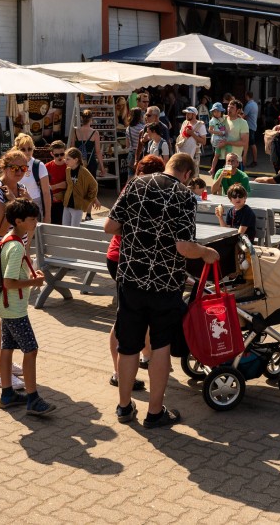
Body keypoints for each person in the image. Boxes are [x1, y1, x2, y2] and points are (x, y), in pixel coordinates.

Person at [104, 152, 219, 428]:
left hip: (131, 277)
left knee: (129, 344)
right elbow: (184, 247)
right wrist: (206, 252)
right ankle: (155, 412)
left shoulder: (135, 184)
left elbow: (110, 226)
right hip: (165, 283)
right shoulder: (184, 196)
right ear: (188, 174)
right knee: (159, 346)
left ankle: (123, 408)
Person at [103, 155, 162, 391]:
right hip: (122, 259)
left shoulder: (137, 187)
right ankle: (119, 373)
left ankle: (147, 357)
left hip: (127, 259)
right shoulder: (135, 189)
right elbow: (110, 226)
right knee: (123, 320)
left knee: (140, 314)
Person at [0, 197, 54, 414]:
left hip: (6, 305)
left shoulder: (9, 239)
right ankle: (33, 399)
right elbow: (9, 282)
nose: (35, 222)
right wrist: (34, 281)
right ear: (18, 221)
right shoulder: (17, 247)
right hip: (15, 308)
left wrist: (29, 275)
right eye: (31, 219)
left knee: (7, 347)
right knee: (31, 350)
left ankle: (7, 394)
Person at [0, 151, 32, 246]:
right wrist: (14, 203)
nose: (19, 172)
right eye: (14, 168)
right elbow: (1, 231)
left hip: (19, 247)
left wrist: (30, 202)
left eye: (23, 168)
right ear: (4, 168)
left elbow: (31, 224)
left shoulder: (22, 189)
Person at [60, 148, 97, 227]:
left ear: (76, 160)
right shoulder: (68, 170)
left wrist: (87, 200)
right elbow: (69, 186)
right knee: (65, 227)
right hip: (67, 204)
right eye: (65, 159)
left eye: (68, 159)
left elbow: (94, 185)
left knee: (75, 229)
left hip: (77, 206)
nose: (65, 161)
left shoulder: (84, 172)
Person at [70, 109, 102, 180]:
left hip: (78, 162)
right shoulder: (95, 133)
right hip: (91, 162)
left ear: (82, 118)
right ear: (91, 119)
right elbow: (98, 152)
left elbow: (72, 149)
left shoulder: (75, 132)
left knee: (79, 183)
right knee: (91, 185)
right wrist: (102, 168)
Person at [44, 141, 68, 225]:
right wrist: (57, 187)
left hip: (66, 202)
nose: (59, 157)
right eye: (56, 155)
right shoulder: (47, 167)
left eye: (62, 154)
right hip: (52, 202)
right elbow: (43, 185)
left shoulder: (69, 166)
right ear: (52, 154)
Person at [224, 100, 250, 168]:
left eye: (232, 107)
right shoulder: (223, 119)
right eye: (228, 107)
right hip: (220, 157)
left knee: (230, 177)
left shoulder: (243, 123)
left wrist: (244, 155)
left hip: (232, 161)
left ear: (238, 110)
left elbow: (244, 142)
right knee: (220, 178)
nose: (229, 109)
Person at [206, 103, 229, 175]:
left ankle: (226, 166)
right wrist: (218, 132)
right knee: (217, 155)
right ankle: (212, 169)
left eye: (218, 111)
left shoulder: (223, 118)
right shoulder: (212, 120)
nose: (216, 113)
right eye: (215, 111)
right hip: (217, 139)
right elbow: (210, 130)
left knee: (226, 153)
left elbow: (228, 116)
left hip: (223, 138)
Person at [243, 92, 260, 167]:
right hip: (253, 125)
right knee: (251, 144)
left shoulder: (249, 105)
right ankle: (253, 160)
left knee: (250, 144)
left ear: (247, 96)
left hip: (249, 126)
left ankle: (252, 161)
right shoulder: (255, 104)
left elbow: (243, 116)